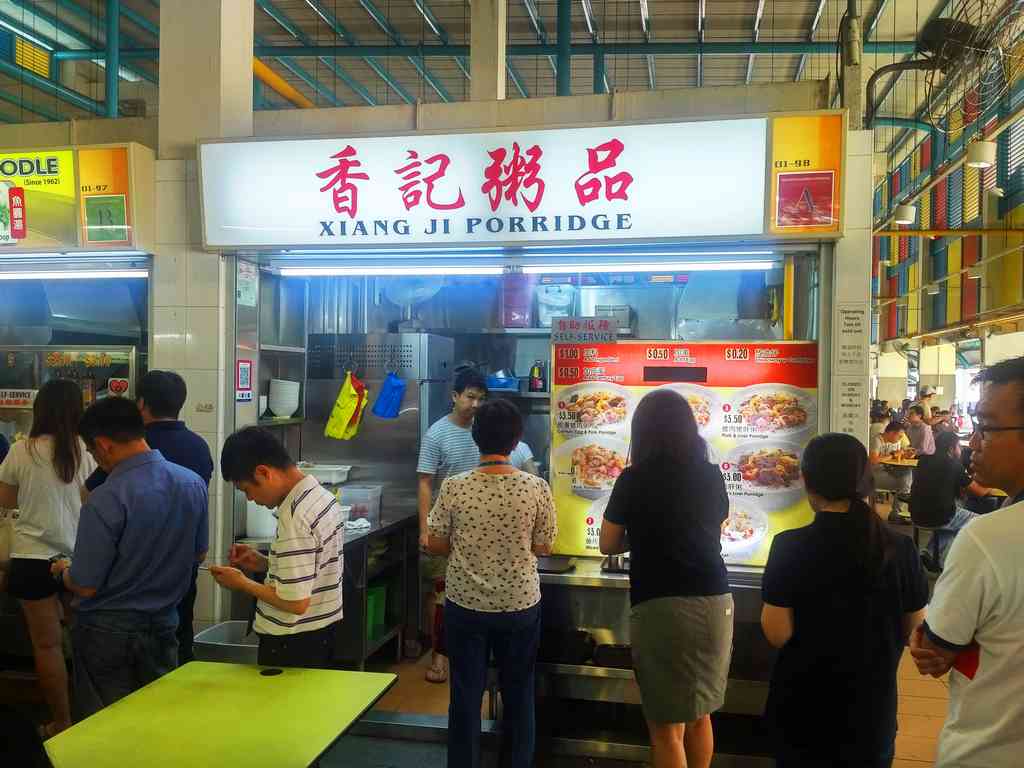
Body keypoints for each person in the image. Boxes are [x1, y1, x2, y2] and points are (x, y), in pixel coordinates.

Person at [761, 433, 928, 768]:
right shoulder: (899, 548)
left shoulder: (789, 546)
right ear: (865, 481)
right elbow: (915, 629)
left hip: (802, 710)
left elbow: (778, 633)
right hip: (871, 713)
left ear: (806, 480)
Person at [51, 397, 208, 721]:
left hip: (106, 634)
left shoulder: (106, 498)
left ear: (104, 445)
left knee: (104, 726)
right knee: (157, 720)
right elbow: (199, 553)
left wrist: (62, 572)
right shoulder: (191, 483)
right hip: (165, 623)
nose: (96, 460)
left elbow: (85, 586)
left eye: (93, 453)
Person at [600, 390, 733, 768]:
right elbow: (713, 528)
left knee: (665, 727)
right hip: (715, 600)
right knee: (700, 714)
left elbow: (608, 543)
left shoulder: (633, 478)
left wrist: (642, 534)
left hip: (660, 604)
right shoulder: (710, 475)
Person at [426, 398, 556, 768]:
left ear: (475, 437)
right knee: (519, 692)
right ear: (516, 442)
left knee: (465, 695)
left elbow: (434, 541)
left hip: (465, 606)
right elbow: (544, 546)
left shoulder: (455, 487)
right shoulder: (536, 488)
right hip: (520, 605)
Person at [910, 356, 1024, 768]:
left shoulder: (987, 540)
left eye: (987, 428)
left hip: (990, 751)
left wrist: (932, 638)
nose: (974, 443)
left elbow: (935, 647)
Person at [85, 370, 213, 665]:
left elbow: (92, 494)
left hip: (123, 583)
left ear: (141, 403)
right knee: (176, 646)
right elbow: (198, 512)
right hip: (179, 573)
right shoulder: (198, 446)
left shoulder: (128, 446)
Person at [0, 380, 95, 737]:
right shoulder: (88, 450)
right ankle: (92, 714)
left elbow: (6, 501)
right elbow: (92, 501)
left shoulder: (21, 450)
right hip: (80, 558)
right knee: (86, 640)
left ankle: (62, 721)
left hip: (30, 557)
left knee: (47, 645)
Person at [213, 427, 343, 668]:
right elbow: (310, 572)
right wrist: (265, 563)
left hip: (291, 643)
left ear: (263, 472)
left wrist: (242, 583)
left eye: (247, 490)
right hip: (320, 632)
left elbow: (295, 603)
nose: (251, 499)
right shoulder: (322, 496)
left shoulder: (295, 516)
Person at [416, 367, 488, 683]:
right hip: (443, 528)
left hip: (478, 530)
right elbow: (424, 483)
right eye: (470, 397)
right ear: (454, 396)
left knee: (474, 593)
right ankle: (438, 657)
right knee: (441, 594)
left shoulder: (484, 431)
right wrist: (424, 529)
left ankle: (469, 655)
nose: (475, 404)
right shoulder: (436, 434)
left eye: (481, 399)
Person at [909, 431, 987, 571]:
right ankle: (953, 563)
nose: (961, 449)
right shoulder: (954, 465)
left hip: (915, 514)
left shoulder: (923, 460)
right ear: (951, 449)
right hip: (941, 516)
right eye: (958, 446)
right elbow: (980, 492)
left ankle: (930, 552)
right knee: (978, 520)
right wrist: (992, 484)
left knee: (954, 513)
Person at [870, 421, 912, 520]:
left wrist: (905, 455)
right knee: (904, 483)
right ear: (891, 433)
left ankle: (897, 513)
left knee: (908, 475)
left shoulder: (894, 442)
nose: (900, 439)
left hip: (888, 471)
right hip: (874, 474)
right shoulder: (877, 440)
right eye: (899, 436)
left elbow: (892, 458)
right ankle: (896, 514)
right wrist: (893, 455)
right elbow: (874, 460)